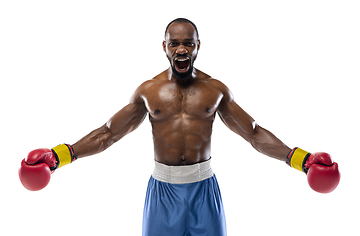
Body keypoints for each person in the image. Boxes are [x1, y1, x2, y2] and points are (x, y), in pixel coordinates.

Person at [19, 18, 340, 236]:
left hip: (205, 191)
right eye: (175, 44)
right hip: (162, 192)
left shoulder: (215, 90)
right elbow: (107, 134)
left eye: (188, 43)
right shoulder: (149, 91)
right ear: (165, 47)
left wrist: (301, 159)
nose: (182, 49)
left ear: (199, 45)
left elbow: (254, 134)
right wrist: (59, 156)